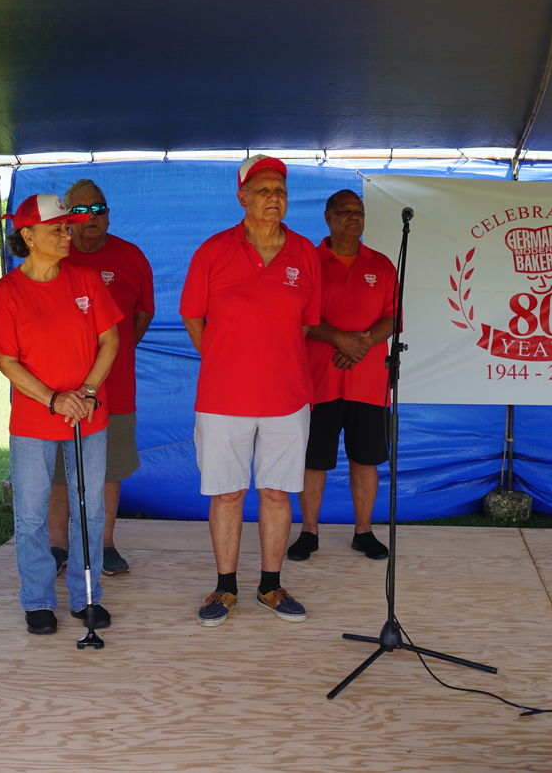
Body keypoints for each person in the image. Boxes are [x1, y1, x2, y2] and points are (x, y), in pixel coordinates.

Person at [180, 155, 320, 627]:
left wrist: (269, 361)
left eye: (280, 189)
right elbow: (193, 318)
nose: (273, 197)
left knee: (278, 494)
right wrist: (224, 358)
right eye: (262, 189)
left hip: (288, 397)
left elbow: (305, 324)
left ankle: (271, 585)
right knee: (227, 494)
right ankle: (224, 588)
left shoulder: (304, 254)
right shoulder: (212, 251)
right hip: (223, 398)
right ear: (241, 197)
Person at [0, 194, 121, 635]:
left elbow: (110, 341)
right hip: (34, 421)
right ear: (28, 235)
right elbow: (6, 361)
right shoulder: (7, 290)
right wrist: (53, 399)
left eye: (67, 228)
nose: (68, 234)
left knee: (91, 511)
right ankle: (38, 600)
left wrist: (83, 393)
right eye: (57, 229)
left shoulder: (84, 280)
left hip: (87, 415)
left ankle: (87, 596)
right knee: (30, 514)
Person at [46, 178, 154, 578]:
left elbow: (143, 313)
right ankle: (58, 546)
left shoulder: (131, 256)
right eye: (82, 209)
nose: (92, 217)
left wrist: (114, 353)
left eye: (100, 209)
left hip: (116, 387)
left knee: (109, 469)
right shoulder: (53, 254)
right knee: (59, 470)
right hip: (60, 386)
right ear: (67, 216)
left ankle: (105, 544)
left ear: (108, 214)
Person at [288, 189, 395, 562]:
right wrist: (338, 339)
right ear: (328, 217)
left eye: (359, 212)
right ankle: (308, 531)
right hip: (318, 381)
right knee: (313, 459)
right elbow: (300, 316)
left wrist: (361, 344)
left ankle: (363, 532)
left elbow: (392, 317)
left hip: (368, 383)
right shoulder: (308, 262)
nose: (354, 218)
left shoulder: (380, 264)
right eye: (346, 211)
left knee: (365, 459)